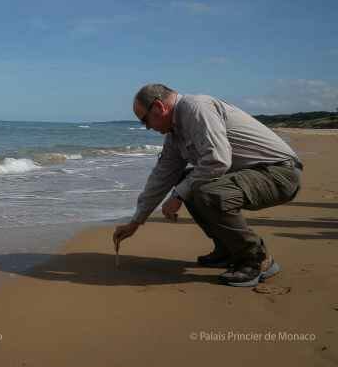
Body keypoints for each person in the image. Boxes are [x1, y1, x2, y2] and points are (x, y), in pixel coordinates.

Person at [113, 84, 303, 287]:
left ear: (159, 107)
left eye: (144, 120)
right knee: (187, 180)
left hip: (279, 173)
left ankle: (256, 259)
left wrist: (177, 196)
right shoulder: (175, 133)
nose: (148, 127)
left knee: (203, 190)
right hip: (253, 173)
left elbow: (218, 160)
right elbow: (162, 177)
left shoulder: (196, 108)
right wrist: (136, 222)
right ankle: (228, 250)